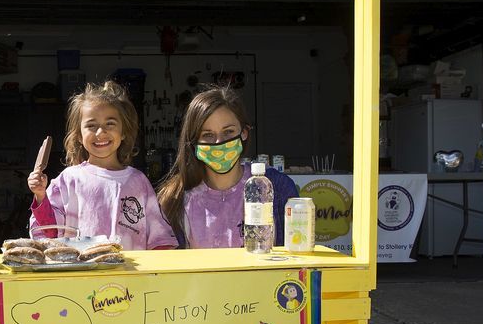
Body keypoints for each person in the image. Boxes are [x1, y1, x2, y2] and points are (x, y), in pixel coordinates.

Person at [27, 81, 177, 250]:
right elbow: (49, 233)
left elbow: (160, 239)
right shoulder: (69, 179)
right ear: (78, 135)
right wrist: (40, 195)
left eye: (110, 124)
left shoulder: (138, 181)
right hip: (82, 274)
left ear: (124, 133)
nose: (101, 132)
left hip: (129, 274)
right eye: (91, 125)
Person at [157, 87, 297, 249]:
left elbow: (295, 258)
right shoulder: (175, 199)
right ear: (194, 143)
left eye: (228, 132)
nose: (219, 143)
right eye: (208, 135)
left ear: (244, 132)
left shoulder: (277, 187)